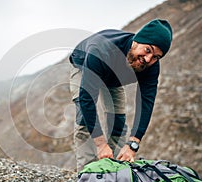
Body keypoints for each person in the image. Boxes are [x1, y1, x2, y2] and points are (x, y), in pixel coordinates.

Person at [69, 19, 173, 171]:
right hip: (85, 66)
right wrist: (101, 144)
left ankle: (114, 169)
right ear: (136, 41)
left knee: (118, 121)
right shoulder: (101, 50)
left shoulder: (151, 66)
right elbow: (87, 100)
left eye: (156, 56)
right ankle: (88, 174)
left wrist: (133, 144)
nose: (148, 59)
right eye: (148, 50)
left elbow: (146, 103)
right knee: (84, 119)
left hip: (113, 79)